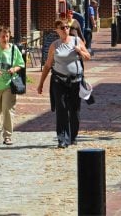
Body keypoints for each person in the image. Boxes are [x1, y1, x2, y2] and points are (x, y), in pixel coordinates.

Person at [36, 19, 91, 148]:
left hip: (75, 81)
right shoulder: (54, 46)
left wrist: (80, 51)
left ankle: (73, 136)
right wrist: (41, 83)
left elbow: (88, 56)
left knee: (74, 110)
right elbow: (48, 65)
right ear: (57, 30)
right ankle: (62, 138)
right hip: (59, 81)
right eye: (62, 27)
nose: (65, 29)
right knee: (61, 109)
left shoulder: (76, 41)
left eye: (67, 27)